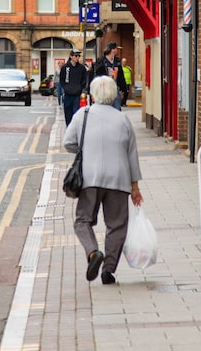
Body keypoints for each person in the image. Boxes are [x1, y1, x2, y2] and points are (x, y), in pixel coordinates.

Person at [63, 76, 144, 285]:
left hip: (90, 178)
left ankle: (92, 252)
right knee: (117, 225)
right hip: (119, 179)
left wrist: (85, 149)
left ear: (92, 95)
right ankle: (108, 270)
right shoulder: (123, 119)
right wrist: (135, 187)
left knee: (83, 219)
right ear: (114, 95)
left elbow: (68, 142)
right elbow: (132, 155)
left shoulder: (83, 115)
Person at [92, 41, 128, 110]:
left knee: (117, 109)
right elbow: (96, 75)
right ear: (112, 50)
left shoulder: (117, 61)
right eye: (115, 49)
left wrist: (123, 90)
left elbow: (121, 77)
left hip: (115, 88)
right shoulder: (101, 61)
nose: (116, 51)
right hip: (104, 88)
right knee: (104, 109)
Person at [59, 50, 90, 125]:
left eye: (79, 56)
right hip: (67, 94)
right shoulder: (65, 67)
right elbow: (62, 79)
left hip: (77, 94)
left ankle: (75, 129)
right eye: (76, 56)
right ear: (71, 56)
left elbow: (84, 79)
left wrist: (80, 88)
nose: (77, 58)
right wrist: (65, 88)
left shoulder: (81, 68)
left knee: (76, 113)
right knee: (68, 113)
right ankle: (69, 129)